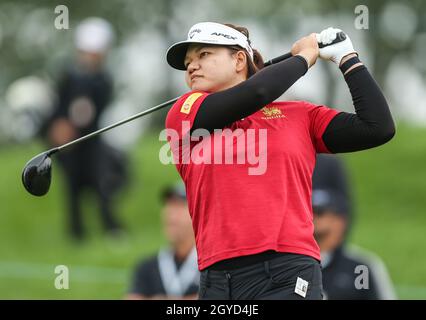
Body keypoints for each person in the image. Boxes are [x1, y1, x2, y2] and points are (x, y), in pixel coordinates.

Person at [164, 22, 395, 300]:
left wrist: (347, 58)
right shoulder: (184, 114)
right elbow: (258, 92)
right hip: (215, 280)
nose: (191, 66)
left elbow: (377, 127)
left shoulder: (300, 116)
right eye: (188, 61)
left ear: (239, 59)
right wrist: (304, 58)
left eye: (203, 55)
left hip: (286, 272)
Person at [43, 17, 127, 240]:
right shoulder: (68, 75)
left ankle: (110, 228)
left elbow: (89, 111)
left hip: (91, 139)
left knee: (101, 183)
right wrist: (57, 128)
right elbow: (58, 109)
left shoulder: (102, 80)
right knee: (72, 187)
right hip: (67, 144)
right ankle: (76, 233)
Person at [312, 188, 396, 299]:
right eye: (308, 211)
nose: (312, 217)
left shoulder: (360, 267)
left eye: (320, 212)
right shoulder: (293, 262)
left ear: (339, 221)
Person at [127, 182, 199, 300]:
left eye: (180, 207)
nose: (171, 214)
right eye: (169, 206)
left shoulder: (213, 266)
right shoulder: (148, 266)